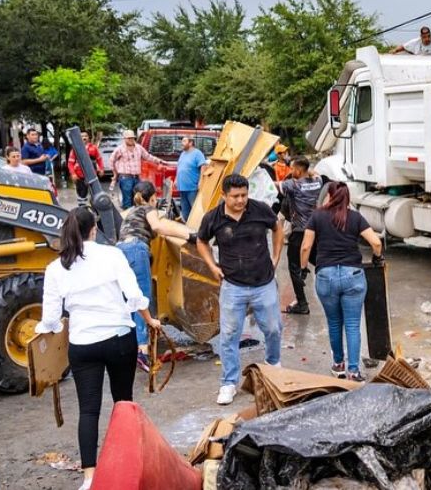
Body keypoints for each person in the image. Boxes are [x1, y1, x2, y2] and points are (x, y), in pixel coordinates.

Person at [34, 207, 161, 490]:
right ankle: (126, 467)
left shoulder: (56, 268)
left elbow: (51, 319)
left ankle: (89, 478)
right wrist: (151, 320)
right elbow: (134, 295)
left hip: (83, 345)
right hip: (118, 339)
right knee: (123, 404)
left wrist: (46, 331)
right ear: (94, 229)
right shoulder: (112, 255)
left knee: (88, 411)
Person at [196, 174, 284, 405]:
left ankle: (274, 365)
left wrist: (276, 257)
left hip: (263, 282)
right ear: (224, 195)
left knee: (273, 328)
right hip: (233, 286)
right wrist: (212, 266)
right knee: (229, 335)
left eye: (244, 195)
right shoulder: (213, 218)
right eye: (235, 196)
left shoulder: (260, 210)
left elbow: (277, 228)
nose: (241, 200)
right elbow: (201, 241)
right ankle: (228, 383)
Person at [300, 182, 383, 381]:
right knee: (353, 324)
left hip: (326, 276)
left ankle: (338, 365)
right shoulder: (355, 217)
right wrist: (377, 258)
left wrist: (303, 269)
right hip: (353, 276)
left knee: (334, 322)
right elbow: (376, 242)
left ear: (329, 195)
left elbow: (305, 247)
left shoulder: (317, 216)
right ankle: (353, 371)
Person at [118, 180, 198, 371]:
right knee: (142, 301)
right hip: (137, 249)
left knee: (128, 301)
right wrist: (190, 235)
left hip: (120, 251)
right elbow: (157, 227)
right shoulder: (148, 209)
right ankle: (143, 352)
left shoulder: (130, 212)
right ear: (152, 197)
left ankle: (130, 348)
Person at [279, 156, 324, 315]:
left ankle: (302, 303)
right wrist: (309, 171)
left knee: (294, 267)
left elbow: (272, 187)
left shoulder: (292, 185)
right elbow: (316, 174)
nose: (291, 172)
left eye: (292, 169)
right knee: (319, 261)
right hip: (315, 231)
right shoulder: (317, 182)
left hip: (299, 233)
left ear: (298, 170)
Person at [110, 129, 166, 209]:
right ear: (125, 139)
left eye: (132, 138)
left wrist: (159, 161)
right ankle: (128, 219)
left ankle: (137, 218)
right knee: (127, 201)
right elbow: (112, 160)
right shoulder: (119, 149)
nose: (131, 140)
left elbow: (148, 156)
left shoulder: (139, 148)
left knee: (138, 199)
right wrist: (115, 174)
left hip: (136, 177)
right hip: (125, 178)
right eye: (129, 138)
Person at [67, 131, 105, 208]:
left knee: (95, 194)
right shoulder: (75, 149)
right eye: (82, 136)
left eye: (86, 136)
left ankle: (96, 210)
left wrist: (101, 169)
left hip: (92, 176)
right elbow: (70, 163)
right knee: (82, 195)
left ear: (88, 138)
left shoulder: (93, 148)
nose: (84, 138)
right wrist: (73, 174)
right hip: (79, 176)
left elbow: (99, 160)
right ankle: (82, 210)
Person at [176, 136, 208, 221]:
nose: (181, 143)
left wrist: (201, 180)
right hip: (182, 188)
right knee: (185, 212)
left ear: (190, 143)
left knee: (195, 211)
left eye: (184, 141)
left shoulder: (197, 153)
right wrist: (176, 180)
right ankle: (188, 229)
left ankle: (198, 229)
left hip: (192, 188)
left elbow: (203, 166)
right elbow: (179, 167)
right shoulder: (182, 154)